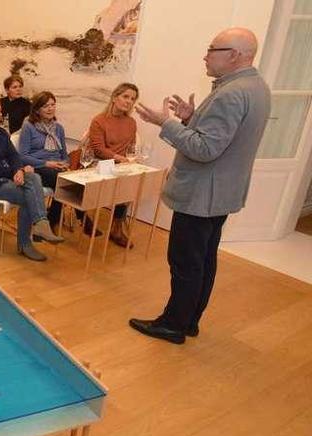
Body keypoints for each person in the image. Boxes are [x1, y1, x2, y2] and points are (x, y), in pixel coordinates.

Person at [130, 27, 271, 345]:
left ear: (234, 55)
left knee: (186, 262)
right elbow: (220, 137)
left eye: (212, 49)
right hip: (222, 192)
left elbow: (206, 150)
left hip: (201, 194)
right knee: (204, 259)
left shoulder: (231, 92)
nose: (205, 56)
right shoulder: (256, 87)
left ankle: (173, 325)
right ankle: (189, 320)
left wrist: (164, 123)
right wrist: (192, 118)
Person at [0, 98, 64, 261]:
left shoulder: (1, 133)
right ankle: (28, 241)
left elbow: (13, 155)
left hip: (5, 179)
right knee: (28, 196)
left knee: (34, 177)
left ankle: (40, 225)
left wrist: (19, 169)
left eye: (0, 110)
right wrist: (15, 171)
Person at [87, 82, 140, 247]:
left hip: (120, 165)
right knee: (124, 181)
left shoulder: (131, 122)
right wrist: (118, 158)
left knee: (132, 182)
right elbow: (98, 149)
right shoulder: (99, 120)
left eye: (132, 99)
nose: (129, 101)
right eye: (125, 97)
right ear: (115, 97)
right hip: (100, 162)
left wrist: (129, 161)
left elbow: (130, 148)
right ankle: (86, 216)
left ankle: (116, 228)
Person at [18, 91, 70, 229]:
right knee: (63, 181)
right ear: (37, 109)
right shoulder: (29, 126)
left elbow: (64, 154)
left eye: (53, 105)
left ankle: (52, 218)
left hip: (57, 168)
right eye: (46, 106)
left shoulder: (59, 128)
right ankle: (54, 219)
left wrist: (65, 164)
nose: (51, 108)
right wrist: (47, 163)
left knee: (69, 179)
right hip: (37, 166)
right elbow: (22, 155)